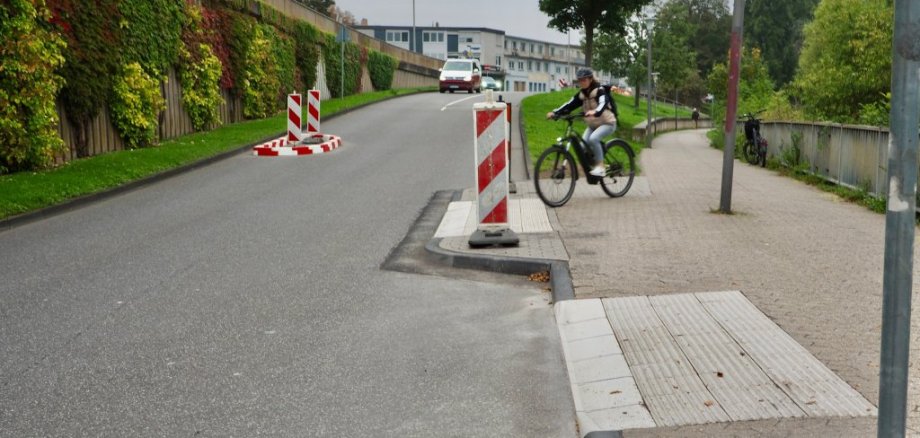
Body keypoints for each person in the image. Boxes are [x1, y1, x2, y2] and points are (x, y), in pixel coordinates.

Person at [546, 68, 617, 177]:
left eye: (584, 80)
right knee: (582, 147)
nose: (581, 82)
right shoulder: (582, 95)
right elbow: (569, 105)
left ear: (590, 79)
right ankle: (595, 163)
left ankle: (601, 167)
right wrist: (555, 113)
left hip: (607, 123)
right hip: (593, 125)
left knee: (594, 139)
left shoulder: (600, 90)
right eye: (580, 80)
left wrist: (595, 111)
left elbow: (603, 103)